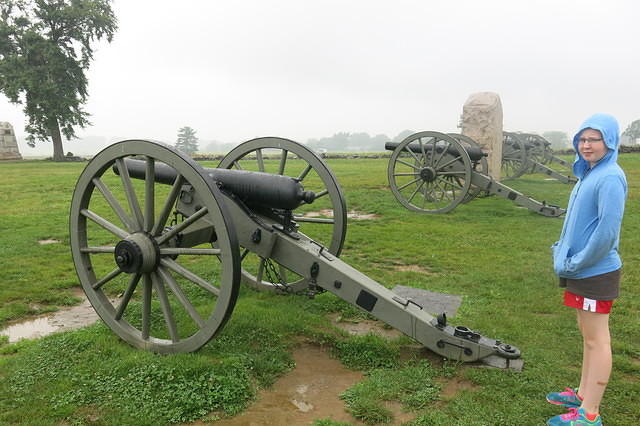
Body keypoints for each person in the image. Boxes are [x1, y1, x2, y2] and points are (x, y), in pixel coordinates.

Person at [546, 113, 627, 426]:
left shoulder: (609, 177)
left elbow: (606, 233)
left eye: (594, 139)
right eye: (582, 138)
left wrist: (577, 262)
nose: (586, 145)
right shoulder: (590, 173)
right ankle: (581, 394)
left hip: (595, 272)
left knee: (597, 340)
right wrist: (563, 251)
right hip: (580, 269)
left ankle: (589, 414)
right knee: (587, 336)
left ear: (609, 141)